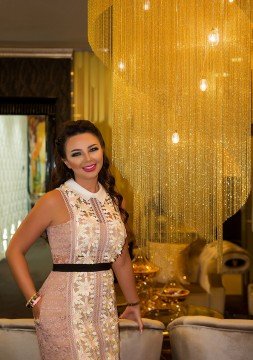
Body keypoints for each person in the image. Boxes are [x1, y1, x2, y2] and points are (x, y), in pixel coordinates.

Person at [6, 120, 143, 360]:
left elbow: (120, 260)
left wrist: (133, 303)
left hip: (104, 312)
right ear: (67, 162)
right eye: (76, 154)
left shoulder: (114, 201)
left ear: (102, 149)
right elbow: (14, 250)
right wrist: (33, 300)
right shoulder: (53, 200)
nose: (87, 159)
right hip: (61, 311)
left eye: (93, 149)